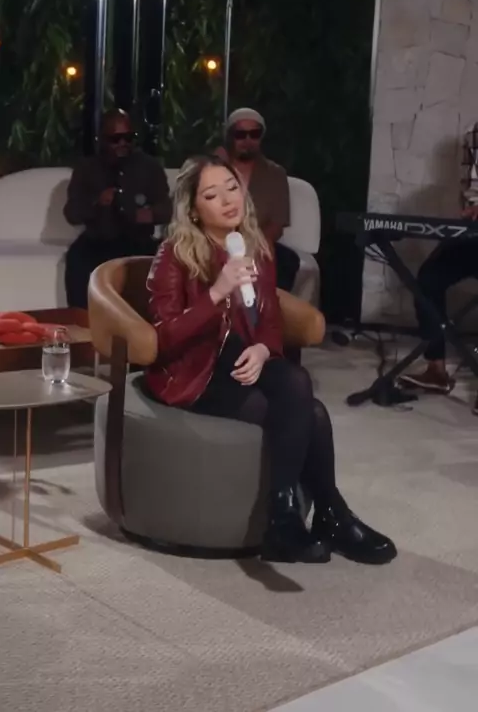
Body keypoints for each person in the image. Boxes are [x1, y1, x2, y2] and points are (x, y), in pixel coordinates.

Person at [145, 154, 397, 565]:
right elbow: (164, 338)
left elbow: (270, 321)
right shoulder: (174, 255)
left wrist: (263, 349)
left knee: (298, 386)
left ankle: (291, 520)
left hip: (243, 362)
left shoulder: (256, 247)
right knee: (310, 411)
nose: (228, 199)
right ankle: (323, 517)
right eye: (212, 195)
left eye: (232, 188)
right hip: (195, 373)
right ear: (193, 209)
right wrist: (217, 292)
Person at [400, 123, 478, 411]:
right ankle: (436, 370)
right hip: (473, 234)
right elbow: (470, 189)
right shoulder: (474, 134)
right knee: (428, 279)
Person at [64, 109, 171, 309]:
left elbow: (167, 207)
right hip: (98, 241)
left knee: (166, 257)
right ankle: (82, 318)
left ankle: (160, 319)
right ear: (102, 139)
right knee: (76, 257)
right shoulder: (86, 169)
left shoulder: (149, 166)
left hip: (138, 241)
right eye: (115, 139)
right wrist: (97, 203)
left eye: (128, 138)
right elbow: (71, 213)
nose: (123, 144)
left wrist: (150, 214)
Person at [216, 108, 300, 292]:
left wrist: (256, 244)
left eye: (254, 134)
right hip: (216, 240)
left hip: (256, 241)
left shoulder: (275, 174)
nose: (248, 141)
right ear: (229, 137)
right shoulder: (213, 169)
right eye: (240, 135)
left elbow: (277, 224)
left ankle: (269, 307)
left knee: (288, 261)